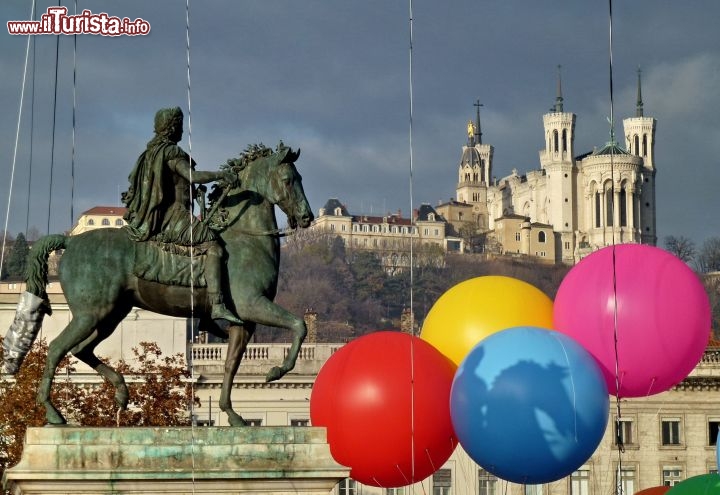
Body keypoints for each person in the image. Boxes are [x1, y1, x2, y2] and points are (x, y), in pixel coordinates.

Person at [122, 107, 242, 325]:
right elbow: (192, 176)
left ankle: (205, 310)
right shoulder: (170, 152)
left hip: (161, 215)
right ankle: (216, 305)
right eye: (179, 124)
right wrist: (222, 174)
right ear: (172, 127)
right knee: (213, 246)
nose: (181, 129)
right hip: (173, 216)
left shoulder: (149, 153)